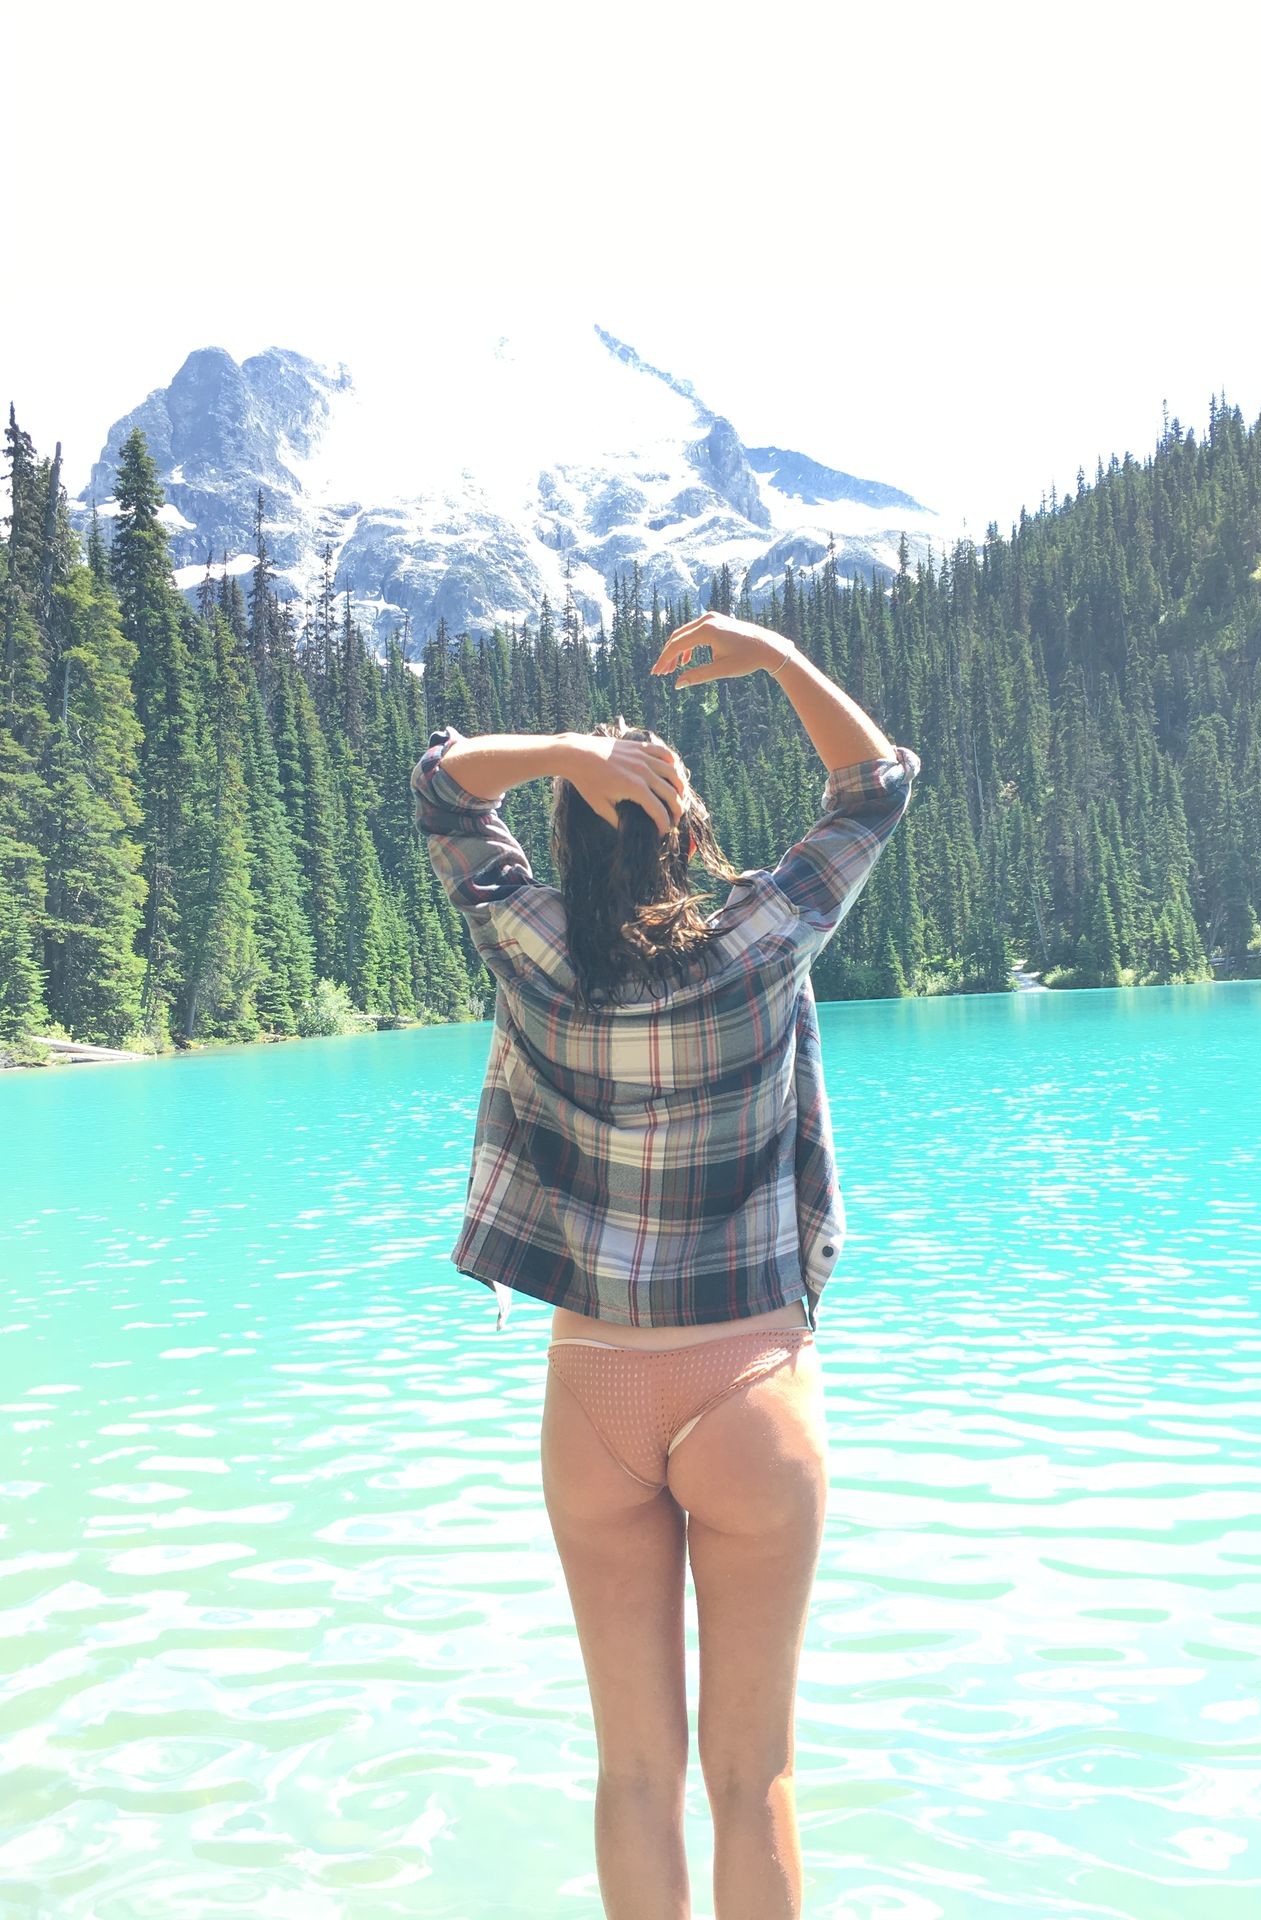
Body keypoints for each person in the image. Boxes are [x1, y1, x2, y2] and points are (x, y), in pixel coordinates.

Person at [410, 610, 921, 1918]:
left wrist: (565, 751)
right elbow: (874, 786)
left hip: (593, 1390)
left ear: (565, 838)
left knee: (635, 1773)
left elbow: (447, 787)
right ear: (687, 838)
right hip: (750, 1382)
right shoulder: (760, 941)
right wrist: (777, 656)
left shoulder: (528, 946)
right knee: (755, 1775)